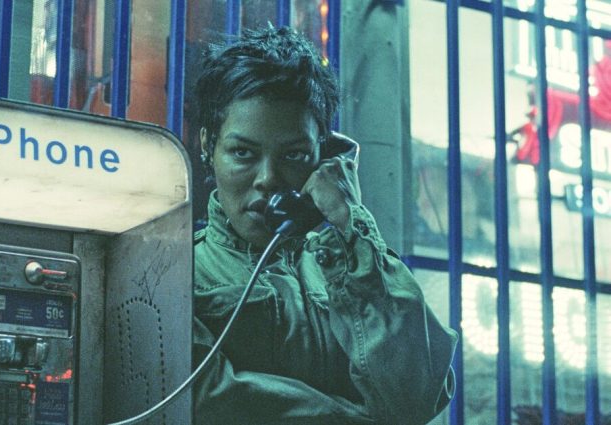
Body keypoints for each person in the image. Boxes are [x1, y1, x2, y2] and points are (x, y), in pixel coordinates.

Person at [192, 26, 458, 424]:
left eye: (294, 155)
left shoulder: (349, 270)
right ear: (207, 146)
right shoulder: (177, 274)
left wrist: (353, 226)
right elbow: (207, 400)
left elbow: (416, 399)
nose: (268, 179)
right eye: (243, 153)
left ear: (325, 156)